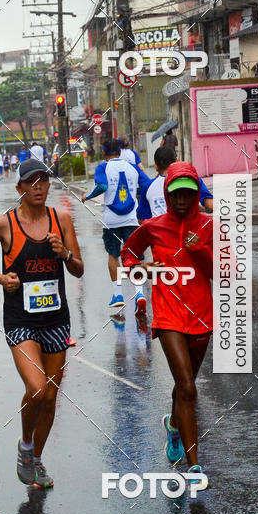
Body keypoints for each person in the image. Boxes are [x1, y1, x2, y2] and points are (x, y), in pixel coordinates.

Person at [0, 158, 84, 489]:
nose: (38, 186)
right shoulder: (3, 224)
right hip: (21, 320)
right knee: (36, 389)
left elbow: (78, 268)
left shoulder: (60, 219)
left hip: (56, 320)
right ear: (20, 188)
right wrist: (0, 277)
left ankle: (35, 460)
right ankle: (25, 446)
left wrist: (64, 254)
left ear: (49, 186)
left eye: (43, 180)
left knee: (50, 398)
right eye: (31, 182)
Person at [121, 162, 213, 488]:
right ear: (167, 193)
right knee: (188, 387)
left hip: (202, 315)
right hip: (169, 315)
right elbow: (128, 253)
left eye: (188, 193)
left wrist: (198, 249)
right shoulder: (153, 226)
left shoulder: (210, 227)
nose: (182, 200)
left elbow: (223, 272)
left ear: (197, 192)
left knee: (183, 386)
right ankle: (195, 468)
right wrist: (142, 268)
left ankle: (174, 426)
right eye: (176, 194)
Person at [82, 138, 151, 312]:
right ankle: (139, 293)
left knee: (113, 256)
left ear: (104, 153)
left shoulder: (103, 167)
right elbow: (146, 185)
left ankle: (118, 294)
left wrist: (88, 196)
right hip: (132, 219)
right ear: (120, 152)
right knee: (134, 257)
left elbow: (103, 186)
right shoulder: (133, 167)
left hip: (111, 220)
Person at [137, 146, 214, 221]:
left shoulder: (148, 186)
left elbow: (141, 219)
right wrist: (199, 208)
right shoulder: (192, 180)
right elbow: (211, 206)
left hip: (160, 232)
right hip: (189, 231)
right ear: (177, 161)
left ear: (156, 166)